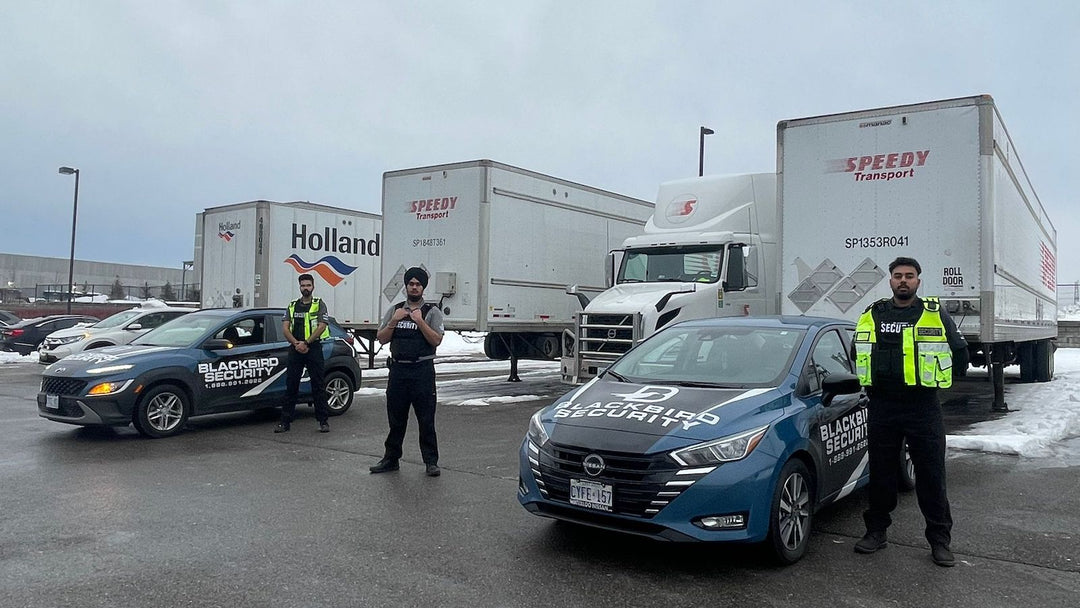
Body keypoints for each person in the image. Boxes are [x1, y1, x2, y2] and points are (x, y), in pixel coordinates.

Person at [852, 256, 969, 567]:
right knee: (881, 474)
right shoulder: (874, 314)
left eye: (909, 276)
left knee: (931, 476)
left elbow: (960, 353)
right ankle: (876, 532)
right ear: (890, 280)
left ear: (918, 280)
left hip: (922, 408)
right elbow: (857, 352)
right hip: (883, 407)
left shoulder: (933, 314)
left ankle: (940, 541)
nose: (903, 280)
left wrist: (942, 384)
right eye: (897, 275)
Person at [370, 267, 445, 477]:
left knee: (426, 419)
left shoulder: (432, 312)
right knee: (396, 419)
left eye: (418, 284)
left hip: (422, 371)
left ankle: (431, 462)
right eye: (411, 284)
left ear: (423, 288)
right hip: (398, 371)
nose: (414, 287)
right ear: (406, 286)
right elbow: (382, 338)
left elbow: (436, 340)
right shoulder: (395, 310)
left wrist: (420, 321)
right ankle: (391, 459)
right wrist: (395, 320)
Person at [275, 273, 331, 434]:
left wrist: (306, 343)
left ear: (313, 286)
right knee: (291, 385)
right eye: (303, 285)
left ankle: (323, 421)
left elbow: (322, 326)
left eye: (308, 285)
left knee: (318, 385)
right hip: (295, 348)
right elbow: (285, 328)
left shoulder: (319, 304)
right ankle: (285, 422)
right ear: (299, 287)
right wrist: (296, 344)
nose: (305, 288)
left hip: (313, 348)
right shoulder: (292, 305)